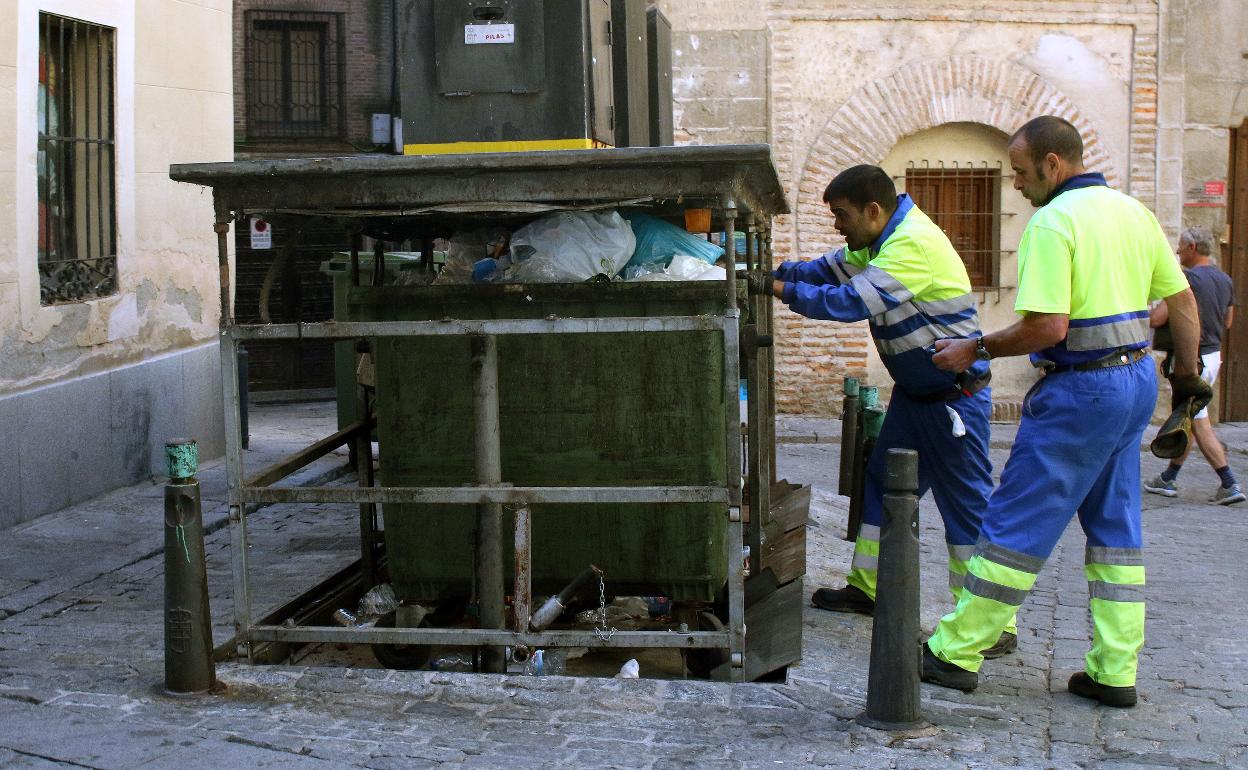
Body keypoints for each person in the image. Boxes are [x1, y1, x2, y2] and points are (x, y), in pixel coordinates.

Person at [921, 116, 1209, 708]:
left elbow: (1047, 326)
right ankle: (1114, 671)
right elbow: (1182, 300)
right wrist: (1186, 378)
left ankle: (955, 650)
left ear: (1054, 165)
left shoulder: (1053, 222)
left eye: (1023, 173)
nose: (1018, 185)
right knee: (1116, 530)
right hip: (1133, 386)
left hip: (1082, 390)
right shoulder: (1133, 212)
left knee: (1016, 521)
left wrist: (973, 347)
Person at [771, 164, 1017, 659]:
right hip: (916, 394)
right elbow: (827, 269)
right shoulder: (877, 242)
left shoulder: (913, 245)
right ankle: (869, 587)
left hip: (953, 398)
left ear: (873, 210)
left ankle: (991, 624)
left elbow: (847, 301)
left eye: (841, 215)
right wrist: (775, 271)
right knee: (883, 482)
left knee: (965, 507)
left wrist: (774, 290)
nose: (836, 225)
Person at [1143, 226, 1243, 505]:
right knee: (1188, 417)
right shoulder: (1225, 279)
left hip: (1190, 359)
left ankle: (1229, 482)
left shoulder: (1185, 277)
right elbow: (1228, 321)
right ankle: (1169, 477)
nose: (1176, 251)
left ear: (1192, 249)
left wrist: (1139, 310)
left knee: (1199, 422)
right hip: (1213, 356)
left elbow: (1159, 318)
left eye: (1180, 247)